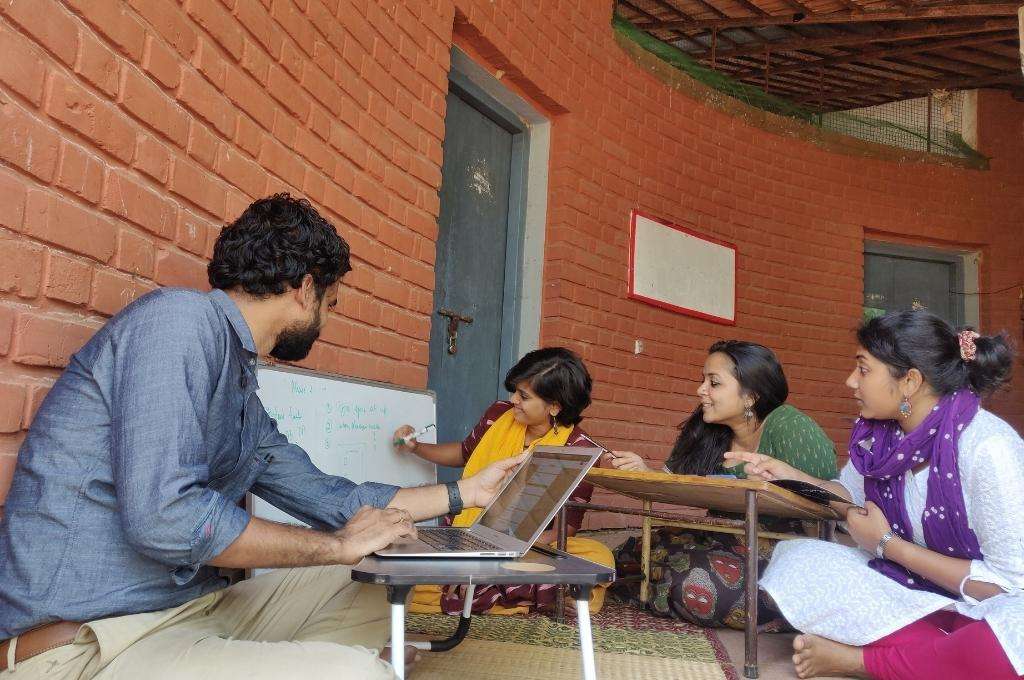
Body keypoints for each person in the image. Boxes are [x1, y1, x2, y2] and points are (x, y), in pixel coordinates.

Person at [0, 194, 526, 680]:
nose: (326, 320)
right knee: (355, 670)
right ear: (304, 288)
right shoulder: (178, 323)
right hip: (93, 644)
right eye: (332, 303)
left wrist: (468, 491)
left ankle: (336, 663)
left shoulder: (240, 389)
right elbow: (166, 519)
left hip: (192, 613)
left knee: (381, 574)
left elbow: (330, 497)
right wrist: (334, 547)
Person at [732, 311, 1023, 680]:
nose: (851, 381)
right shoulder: (881, 439)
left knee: (1013, 637)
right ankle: (938, 658)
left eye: (864, 369)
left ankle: (863, 662)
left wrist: (888, 545)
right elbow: (846, 497)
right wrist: (787, 474)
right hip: (916, 592)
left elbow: (1007, 584)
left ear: (909, 382)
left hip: (994, 604)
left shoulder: (988, 447)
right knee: (798, 561)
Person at [610, 340, 837, 629]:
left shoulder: (788, 425)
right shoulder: (706, 428)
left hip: (777, 551)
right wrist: (643, 471)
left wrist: (782, 478)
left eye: (713, 383)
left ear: (750, 396)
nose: (701, 390)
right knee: (626, 557)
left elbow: (828, 501)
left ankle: (783, 607)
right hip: (715, 536)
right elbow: (672, 482)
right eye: (702, 380)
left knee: (694, 581)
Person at [394, 347, 615, 615]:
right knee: (408, 562)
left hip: (531, 543)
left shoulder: (578, 448)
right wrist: (417, 447)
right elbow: (464, 453)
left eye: (524, 396)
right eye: (515, 391)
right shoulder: (498, 414)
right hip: (466, 532)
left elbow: (566, 531)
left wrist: (506, 549)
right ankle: (518, 591)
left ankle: (479, 584)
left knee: (596, 557)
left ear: (554, 407)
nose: (513, 400)